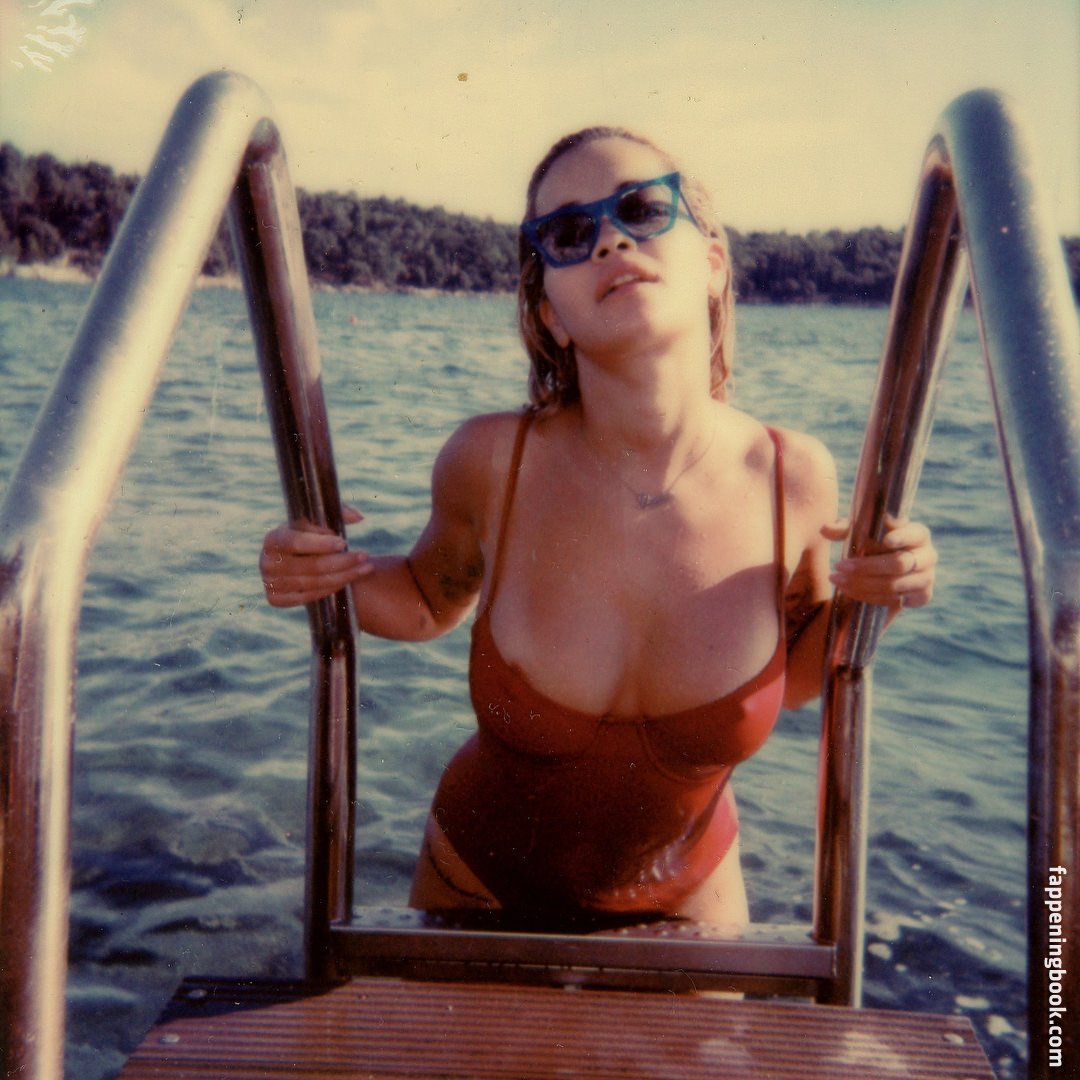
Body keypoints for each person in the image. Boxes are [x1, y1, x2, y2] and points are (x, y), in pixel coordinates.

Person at [260, 126, 937, 925]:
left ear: (713, 264)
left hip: (691, 902)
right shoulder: (493, 461)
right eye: (571, 232)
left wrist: (881, 593)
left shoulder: (792, 476)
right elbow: (426, 599)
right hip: (476, 882)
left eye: (643, 209)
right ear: (551, 313)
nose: (612, 240)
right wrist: (323, 572)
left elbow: (793, 675)